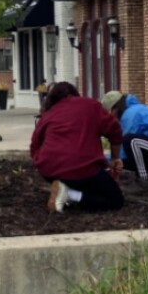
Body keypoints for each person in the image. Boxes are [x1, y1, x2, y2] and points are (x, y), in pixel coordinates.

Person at [30, 82, 124, 213]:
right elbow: (115, 130)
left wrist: (43, 162)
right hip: (82, 167)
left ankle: (64, 188)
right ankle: (70, 195)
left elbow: (34, 146)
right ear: (75, 93)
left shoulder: (48, 114)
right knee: (115, 200)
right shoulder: (91, 105)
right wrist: (115, 158)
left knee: (78, 180)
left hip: (48, 169)